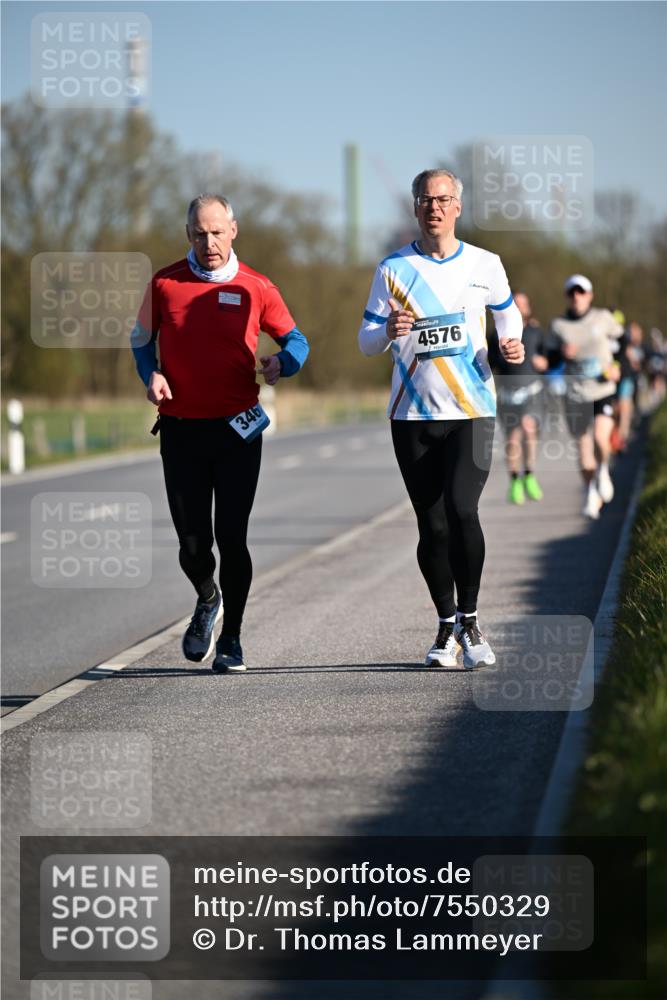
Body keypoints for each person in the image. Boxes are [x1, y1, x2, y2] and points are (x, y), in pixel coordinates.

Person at [131, 194, 309, 672]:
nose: (207, 242)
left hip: (237, 430)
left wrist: (281, 363)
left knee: (232, 536)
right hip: (182, 429)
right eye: (198, 234)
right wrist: (152, 374)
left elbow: (297, 340)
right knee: (192, 545)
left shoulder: (257, 286)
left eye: (215, 232)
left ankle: (231, 639)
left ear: (234, 229)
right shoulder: (165, 282)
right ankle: (208, 598)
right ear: (187, 233)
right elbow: (140, 339)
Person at [358, 168, 524, 669]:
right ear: (415, 207)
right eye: (426, 199)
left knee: (461, 509)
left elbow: (507, 313)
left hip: (473, 410)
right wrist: (387, 327)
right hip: (411, 414)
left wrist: (508, 342)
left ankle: (472, 623)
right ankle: (446, 626)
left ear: (458, 206)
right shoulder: (392, 268)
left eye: (444, 199)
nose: (435, 207)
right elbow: (366, 342)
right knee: (431, 526)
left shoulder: (485, 264)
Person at [547, 275, 622, 520]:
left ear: (590, 295)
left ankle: (603, 472)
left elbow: (623, 342)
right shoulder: (559, 325)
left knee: (601, 438)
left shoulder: (603, 318)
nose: (577, 297)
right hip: (576, 393)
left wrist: (618, 366)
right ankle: (590, 491)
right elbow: (550, 360)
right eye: (572, 293)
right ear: (568, 297)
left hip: (602, 390)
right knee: (582, 448)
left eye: (581, 292)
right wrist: (561, 354)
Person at [488, 290, 548, 504]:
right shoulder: (496, 333)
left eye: (524, 303)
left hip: (531, 391)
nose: (520, 307)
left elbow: (550, 356)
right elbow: (488, 361)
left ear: (529, 308)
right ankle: (514, 480)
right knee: (512, 439)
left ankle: (529, 473)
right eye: (516, 303)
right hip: (507, 393)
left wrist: (546, 363)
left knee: (529, 428)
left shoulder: (536, 331)